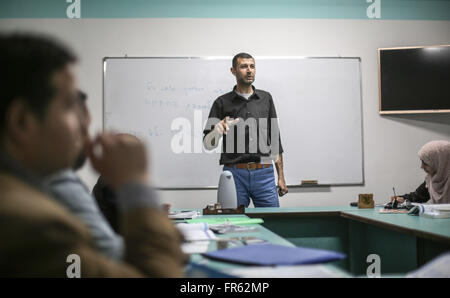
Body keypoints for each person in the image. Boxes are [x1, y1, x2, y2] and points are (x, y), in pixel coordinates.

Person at [0, 33, 186, 277]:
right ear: (22, 121)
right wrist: (136, 184)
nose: (82, 125)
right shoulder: (35, 227)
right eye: (69, 106)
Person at [45, 90, 124, 260]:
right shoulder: (59, 185)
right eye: (82, 130)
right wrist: (138, 182)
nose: (89, 141)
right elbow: (131, 263)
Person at [203, 53, 288, 207]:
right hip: (234, 175)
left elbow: (275, 139)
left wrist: (281, 177)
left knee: (272, 221)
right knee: (232, 223)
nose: (249, 70)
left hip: (264, 174)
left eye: (252, 66)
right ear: (233, 71)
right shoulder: (221, 102)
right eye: (243, 66)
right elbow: (208, 144)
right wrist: (216, 131)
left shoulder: (266, 98)